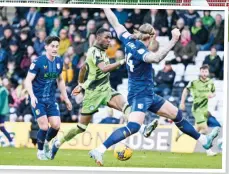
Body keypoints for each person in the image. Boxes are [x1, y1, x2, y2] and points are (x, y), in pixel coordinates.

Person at [88, 8, 220, 166]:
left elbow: (115, 22)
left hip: (148, 93)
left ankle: (204, 141)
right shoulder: (140, 50)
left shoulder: (128, 39)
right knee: (134, 126)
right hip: (140, 94)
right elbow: (156, 58)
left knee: (176, 115)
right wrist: (173, 40)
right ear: (151, 36)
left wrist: (105, 6)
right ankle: (100, 149)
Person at [50, 28, 158, 160]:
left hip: (106, 90)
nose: (110, 41)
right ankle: (58, 142)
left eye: (111, 38)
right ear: (98, 37)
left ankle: (142, 128)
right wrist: (122, 61)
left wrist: (80, 83)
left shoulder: (102, 51)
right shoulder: (94, 51)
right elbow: (104, 68)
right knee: (81, 127)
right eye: (107, 37)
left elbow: (83, 67)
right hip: (92, 95)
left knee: (126, 107)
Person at [25, 36, 72, 160]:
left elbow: (60, 80)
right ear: (46, 47)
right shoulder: (38, 62)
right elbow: (28, 81)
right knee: (44, 127)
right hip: (38, 99)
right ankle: (40, 151)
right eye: (52, 46)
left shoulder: (59, 62)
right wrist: (32, 96)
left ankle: (46, 143)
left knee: (56, 125)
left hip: (50, 99)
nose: (55, 48)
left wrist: (65, 98)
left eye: (57, 46)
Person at [178, 65, 221, 156]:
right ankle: (208, 150)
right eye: (202, 71)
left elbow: (213, 92)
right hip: (197, 109)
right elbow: (185, 91)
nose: (204, 73)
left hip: (205, 110)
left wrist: (212, 95)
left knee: (196, 130)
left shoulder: (210, 82)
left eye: (206, 71)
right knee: (205, 129)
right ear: (200, 72)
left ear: (208, 72)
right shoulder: (194, 82)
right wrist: (182, 102)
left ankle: (182, 132)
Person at [0, 77, 14, 147]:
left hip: (1, 111)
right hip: (2, 111)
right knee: (2, 127)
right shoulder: (3, 89)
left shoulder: (3, 90)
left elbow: (1, 102)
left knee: (2, 127)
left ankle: (10, 140)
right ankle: (10, 140)